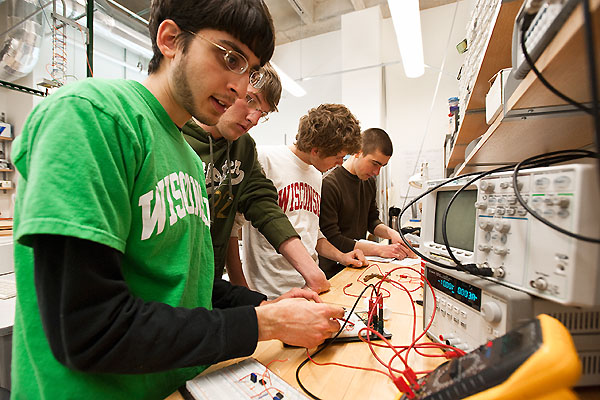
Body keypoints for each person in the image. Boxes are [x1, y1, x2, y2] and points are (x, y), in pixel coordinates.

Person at [10, 1, 344, 398]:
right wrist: (262, 324)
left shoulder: (186, 157)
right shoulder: (91, 117)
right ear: (170, 40)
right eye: (230, 58)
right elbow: (88, 329)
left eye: (249, 70)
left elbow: (189, 285)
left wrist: (267, 307)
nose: (241, 86)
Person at [182, 63, 329, 293]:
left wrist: (311, 271)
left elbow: (264, 205)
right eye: (250, 100)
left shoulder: (244, 148)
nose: (254, 119)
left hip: (209, 287)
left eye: (264, 113)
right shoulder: (179, 136)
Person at [240, 104, 368, 299]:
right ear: (316, 150)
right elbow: (235, 226)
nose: (341, 163)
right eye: (338, 157)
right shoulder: (265, 159)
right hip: (269, 291)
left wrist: (342, 257)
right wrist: (241, 288)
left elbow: (312, 234)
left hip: (310, 285)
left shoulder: (317, 174)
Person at [319, 128, 416, 278]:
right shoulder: (329, 184)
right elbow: (332, 239)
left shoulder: (369, 181)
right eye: (375, 164)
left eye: (381, 167)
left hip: (358, 265)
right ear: (358, 151)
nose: (377, 172)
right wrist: (379, 250)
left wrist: (392, 233)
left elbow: (372, 220)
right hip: (334, 272)